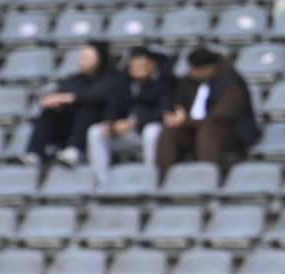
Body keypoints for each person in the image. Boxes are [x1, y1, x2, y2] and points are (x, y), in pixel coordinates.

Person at [156, 47, 260, 174]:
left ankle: (206, 176)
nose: (191, 72)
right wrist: (175, 115)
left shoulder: (231, 83)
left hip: (231, 132)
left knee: (208, 131)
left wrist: (186, 121)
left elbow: (222, 116)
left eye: (195, 70)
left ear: (208, 68)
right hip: (192, 128)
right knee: (169, 132)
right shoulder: (189, 81)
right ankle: (164, 178)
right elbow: (178, 102)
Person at [24, 41, 126, 168]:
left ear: (100, 59)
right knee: (50, 111)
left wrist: (71, 98)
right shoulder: (75, 79)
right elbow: (61, 93)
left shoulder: (113, 78)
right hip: (69, 129)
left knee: (88, 108)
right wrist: (54, 100)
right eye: (81, 57)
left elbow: (97, 97)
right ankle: (34, 154)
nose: (82, 61)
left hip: (100, 127)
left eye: (86, 58)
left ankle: (74, 150)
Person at [88, 46, 172, 185]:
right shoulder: (122, 83)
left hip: (150, 132)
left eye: (143, 65)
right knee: (96, 132)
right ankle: (101, 182)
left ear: (152, 65)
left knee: (152, 131)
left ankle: (151, 179)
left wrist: (134, 121)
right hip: (126, 133)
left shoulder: (165, 83)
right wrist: (110, 124)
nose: (138, 69)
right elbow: (112, 108)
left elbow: (164, 111)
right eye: (134, 66)